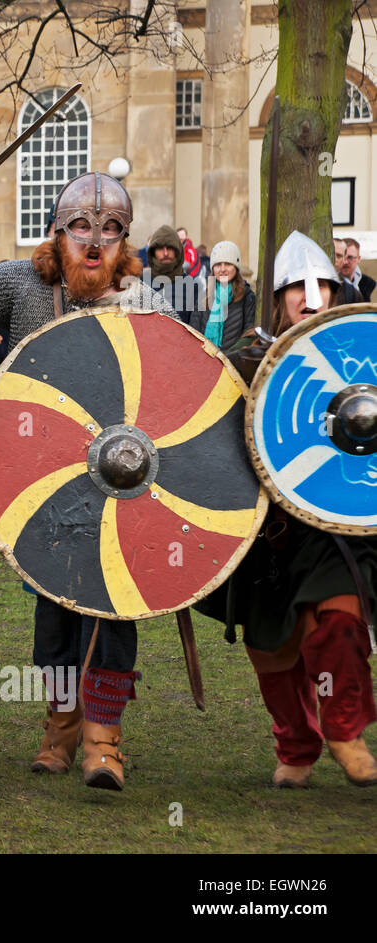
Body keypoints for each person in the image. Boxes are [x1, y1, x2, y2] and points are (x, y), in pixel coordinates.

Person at [0, 171, 177, 790]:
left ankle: (104, 737)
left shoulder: (144, 303)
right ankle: (60, 725)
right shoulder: (24, 285)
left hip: (121, 484)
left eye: (109, 231)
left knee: (111, 613)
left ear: (125, 242)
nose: (94, 243)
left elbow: (175, 392)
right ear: (58, 233)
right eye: (81, 228)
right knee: (54, 617)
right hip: (41, 483)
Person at [214, 231, 377, 788]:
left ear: (336, 292)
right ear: (279, 296)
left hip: (339, 526)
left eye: (323, 290)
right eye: (299, 292)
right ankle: (296, 745)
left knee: (338, 618)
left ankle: (344, 728)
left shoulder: (360, 351)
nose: (312, 302)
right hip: (269, 531)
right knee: (272, 651)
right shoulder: (247, 359)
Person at [191, 240, 257, 351]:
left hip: (232, 363)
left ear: (236, 267)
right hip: (204, 360)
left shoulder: (247, 296)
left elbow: (248, 335)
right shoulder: (204, 296)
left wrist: (225, 358)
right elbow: (193, 331)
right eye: (217, 265)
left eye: (227, 264)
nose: (222, 269)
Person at [145, 225, 198, 325]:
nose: (165, 253)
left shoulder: (190, 285)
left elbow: (194, 328)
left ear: (178, 251)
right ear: (153, 252)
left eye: (170, 248)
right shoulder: (142, 283)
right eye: (160, 248)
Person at [340, 237, 374, 302]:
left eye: (350, 257)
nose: (345, 262)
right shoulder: (330, 283)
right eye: (342, 256)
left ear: (358, 259)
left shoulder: (366, 283)